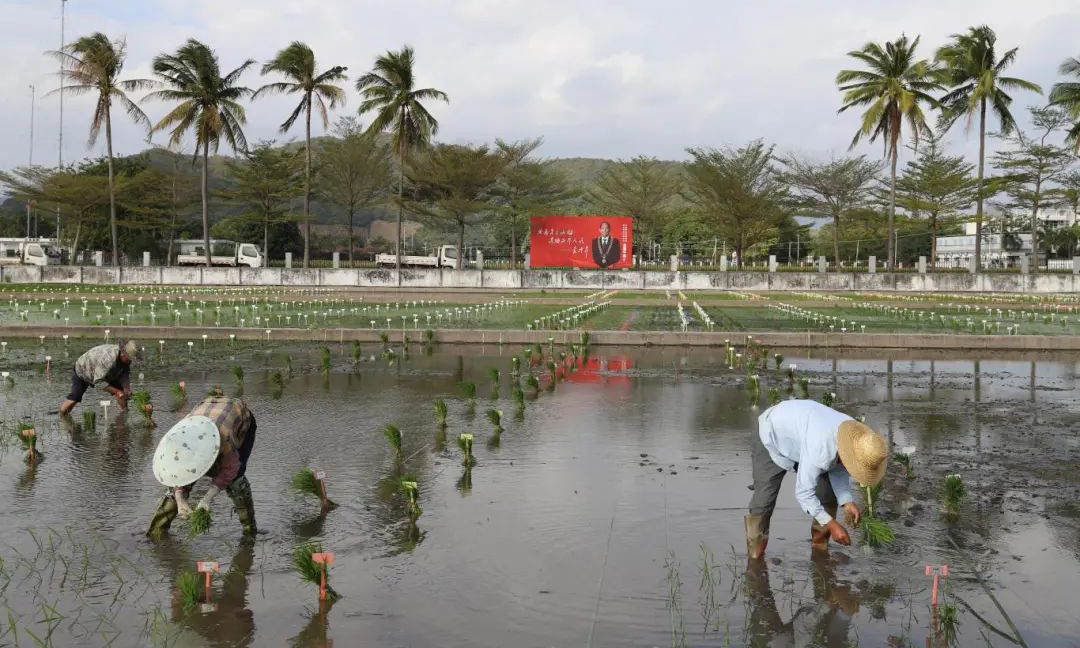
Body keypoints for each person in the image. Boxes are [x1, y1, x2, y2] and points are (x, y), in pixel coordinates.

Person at [745, 399, 887, 558]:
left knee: (828, 495)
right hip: (772, 436)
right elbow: (803, 494)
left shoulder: (856, 439)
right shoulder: (821, 447)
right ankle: (755, 559)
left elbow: (839, 468)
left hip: (803, 436)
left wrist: (847, 501)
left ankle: (819, 551)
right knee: (764, 500)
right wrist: (832, 524)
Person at [148, 390, 257, 537]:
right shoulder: (180, 436)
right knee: (178, 484)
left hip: (238, 416)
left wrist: (207, 498)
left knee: (236, 479)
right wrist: (180, 499)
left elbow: (229, 471)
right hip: (206, 408)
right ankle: (157, 532)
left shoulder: (225, 440)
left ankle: (249, 530)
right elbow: (179, 472)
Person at [59, 340, 140, 415]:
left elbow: (124, 374)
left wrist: (126, 388)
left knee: (123, 393)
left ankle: (125, 414)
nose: (130, 362)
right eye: (129, 359)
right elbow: (99, 383)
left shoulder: (125, 360)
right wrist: (117, 391)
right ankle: (62, 416)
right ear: (123, 354)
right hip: (83, 369)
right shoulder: (107, 358)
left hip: (105, 371)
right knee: (75, 397)